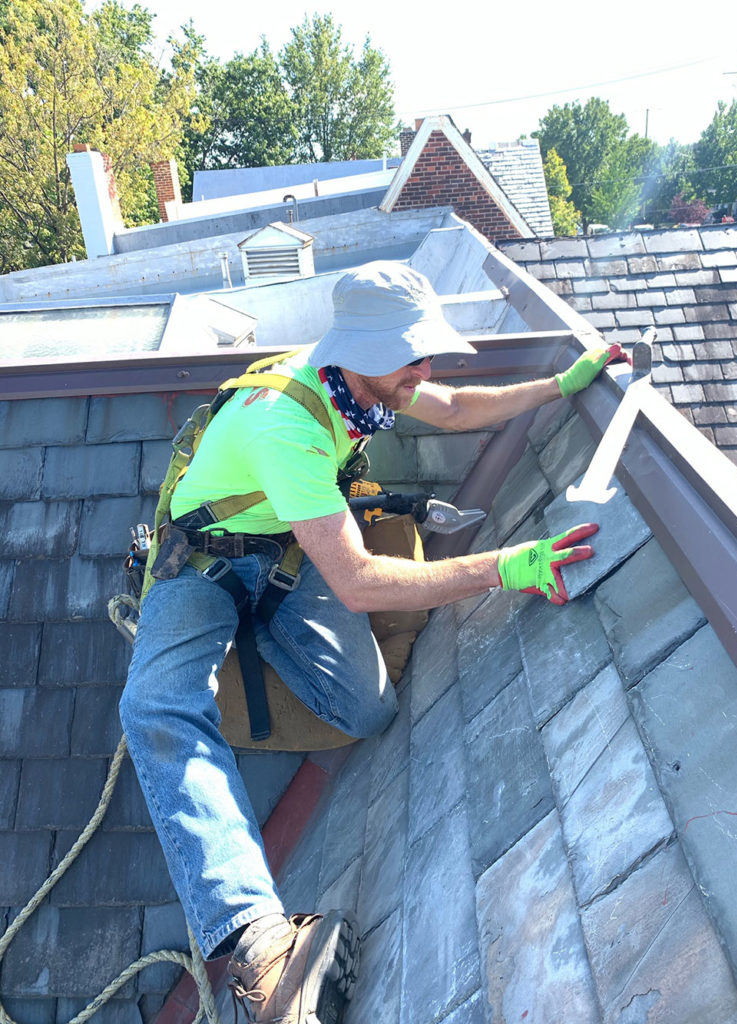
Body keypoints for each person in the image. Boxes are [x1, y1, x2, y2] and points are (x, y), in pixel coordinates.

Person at [119, 261, 628, 1024]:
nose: (423, 370)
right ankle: (259, 947)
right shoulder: (285, 422)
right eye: (412, 356)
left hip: (285, 554)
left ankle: (255, 640)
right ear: (358, 348)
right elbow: (358, 583)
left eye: (422, 355)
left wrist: (560, 387)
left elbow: (454, 405)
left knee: (366, 711)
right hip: (198, 563)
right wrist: (505, 567)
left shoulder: (363, 376)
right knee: (155, 706)